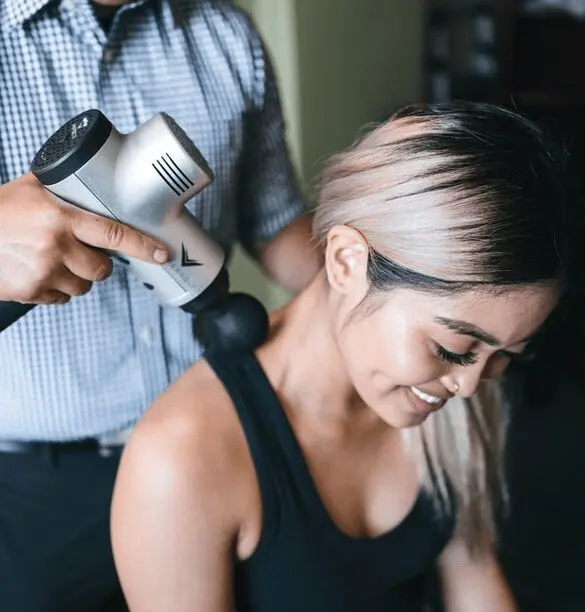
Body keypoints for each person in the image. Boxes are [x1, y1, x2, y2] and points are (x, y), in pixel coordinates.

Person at [111, 100, 578, 611]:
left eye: (508, 354)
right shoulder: (181, 458)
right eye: (452, 348)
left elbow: (474, 576)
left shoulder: (447, 389)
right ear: (346, 262)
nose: (470, 385)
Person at [0, 1, 320, 610]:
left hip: (217, 447)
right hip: (37, 498)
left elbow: (280, 228)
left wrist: (385, 275)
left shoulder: (224, 36)